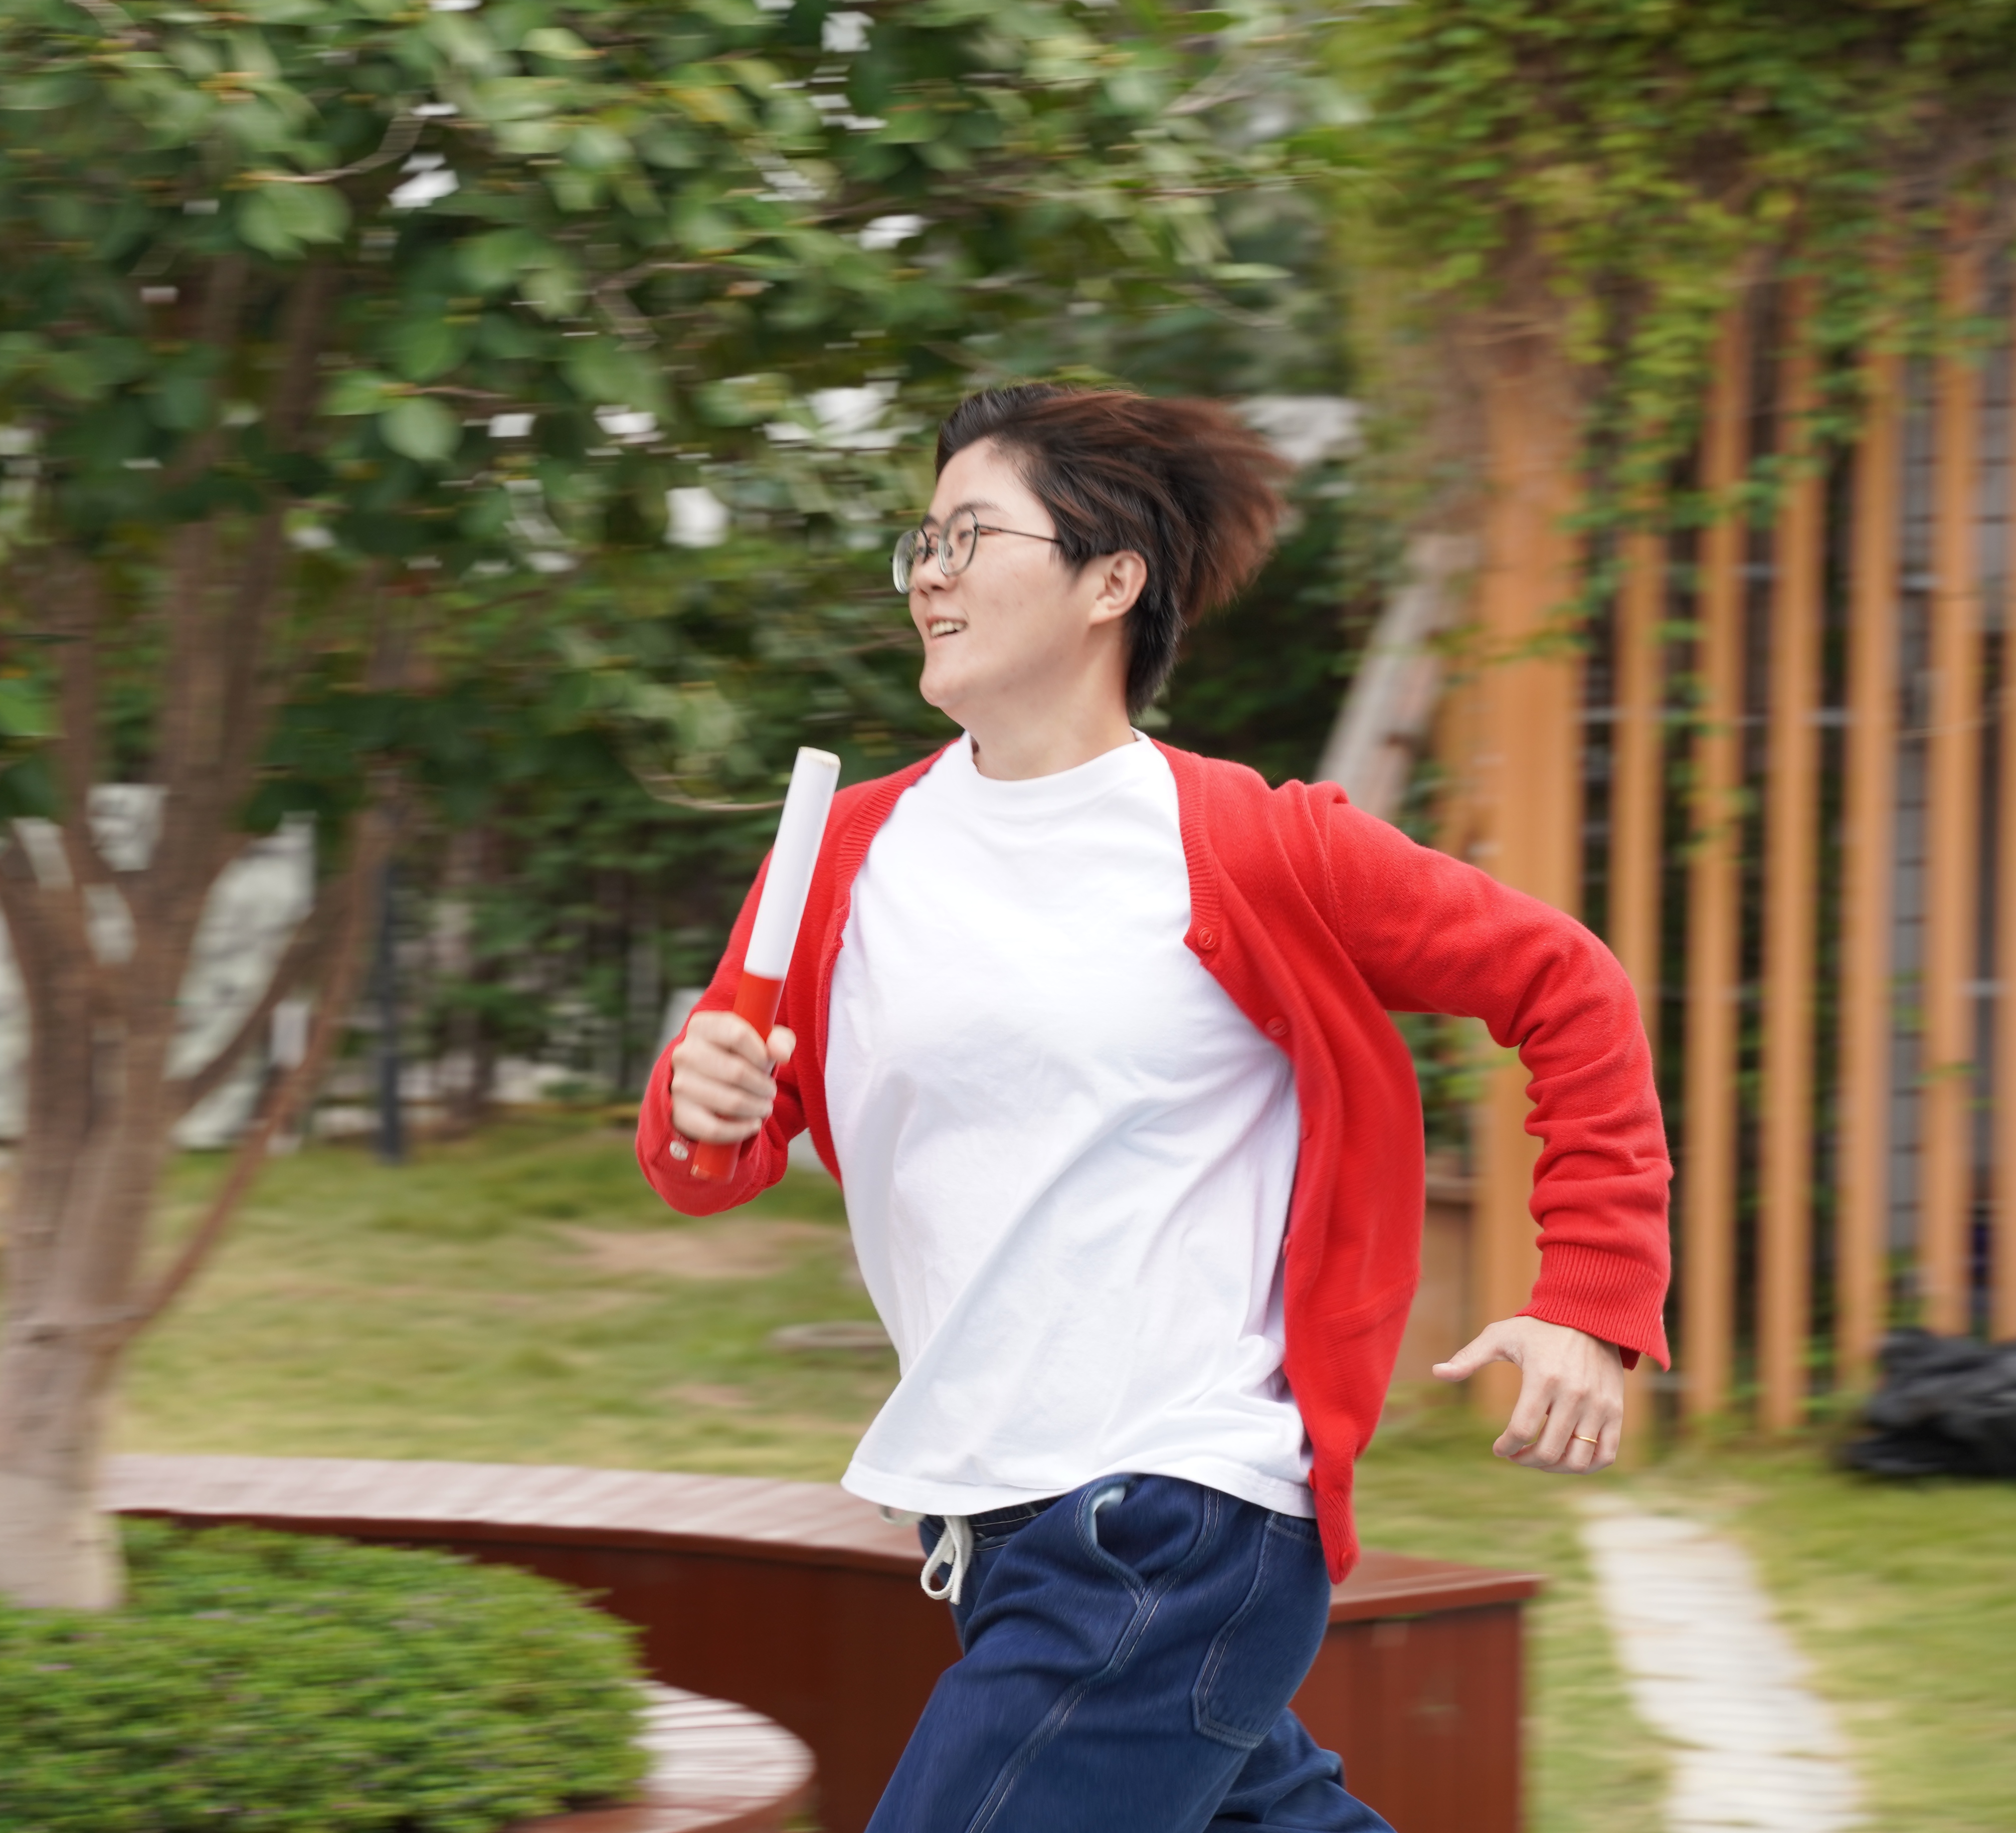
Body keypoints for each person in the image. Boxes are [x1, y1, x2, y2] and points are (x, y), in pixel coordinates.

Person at [636, 385, 1671, 1833]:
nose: (928, 573)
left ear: (1110, 580)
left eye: (970, 535)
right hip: (991, 1521)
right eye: (921, 541)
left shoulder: (1249, 843)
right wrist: (701, 1090)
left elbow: (1567, 985)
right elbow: (709, 1158)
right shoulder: (846, 852)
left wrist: (1590, 1296)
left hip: (1170, 1517)